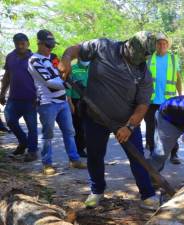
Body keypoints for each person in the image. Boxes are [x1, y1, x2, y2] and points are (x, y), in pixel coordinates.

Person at [58, 31, 160, 210]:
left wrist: (129, 126)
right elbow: (76, 49)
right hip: (95, 118)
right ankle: (96, 190)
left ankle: (147, 195)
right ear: (129, 44)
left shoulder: (144, 73)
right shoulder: (104, 47)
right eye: (136, 56)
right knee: (95, 156)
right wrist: (66, 58)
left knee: (137, 158)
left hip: (126, 122)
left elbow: (142, 105)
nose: (138, 61)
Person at [28, 29, 86, 175]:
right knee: (48, 134)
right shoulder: (34, 60)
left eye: (52, 45)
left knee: (69, 132)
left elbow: (62, 73)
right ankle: (47, 163)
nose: (51, 48)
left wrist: (68, 96)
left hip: (62, 101)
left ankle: (74, 159)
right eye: (48, 45)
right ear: (39, 43)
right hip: (47, 102)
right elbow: (49, 81)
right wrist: (71, 84)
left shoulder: (52, 58)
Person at [144, 32, 182, 164]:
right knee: (150, 128)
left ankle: (174, 153)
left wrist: (180, 95)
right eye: (159, 43)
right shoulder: (148, 58)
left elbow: (178, 78)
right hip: (151, 100)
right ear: (155, 45)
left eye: (164, 43)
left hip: (168, 100)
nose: (162, 45)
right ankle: (153, 153)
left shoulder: (173, 58)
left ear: (168, 45)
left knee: (171, 127)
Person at [0, 33, 38, 161]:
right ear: (14, 44)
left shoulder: (34, 58)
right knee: (10, 120)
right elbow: (7, 76)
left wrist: (40, 97)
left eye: (23, 44)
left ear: (28, 43)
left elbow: (42, 79)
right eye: (17, 44)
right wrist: (2, 92)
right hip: (14, 98)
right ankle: (23, 142)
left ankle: (32, 152)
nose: (20, 46)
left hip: (31, 99)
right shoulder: (10, 57)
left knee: (32, 127)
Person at [66, 59, 90, 157]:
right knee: (78, 126)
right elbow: (68, 87)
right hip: (77, 101)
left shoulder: (92, 68)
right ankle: (79, 149)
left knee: (89, 125)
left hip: (90, 101)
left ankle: (87, 146)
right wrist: (70, 103)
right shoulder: (73, 69)